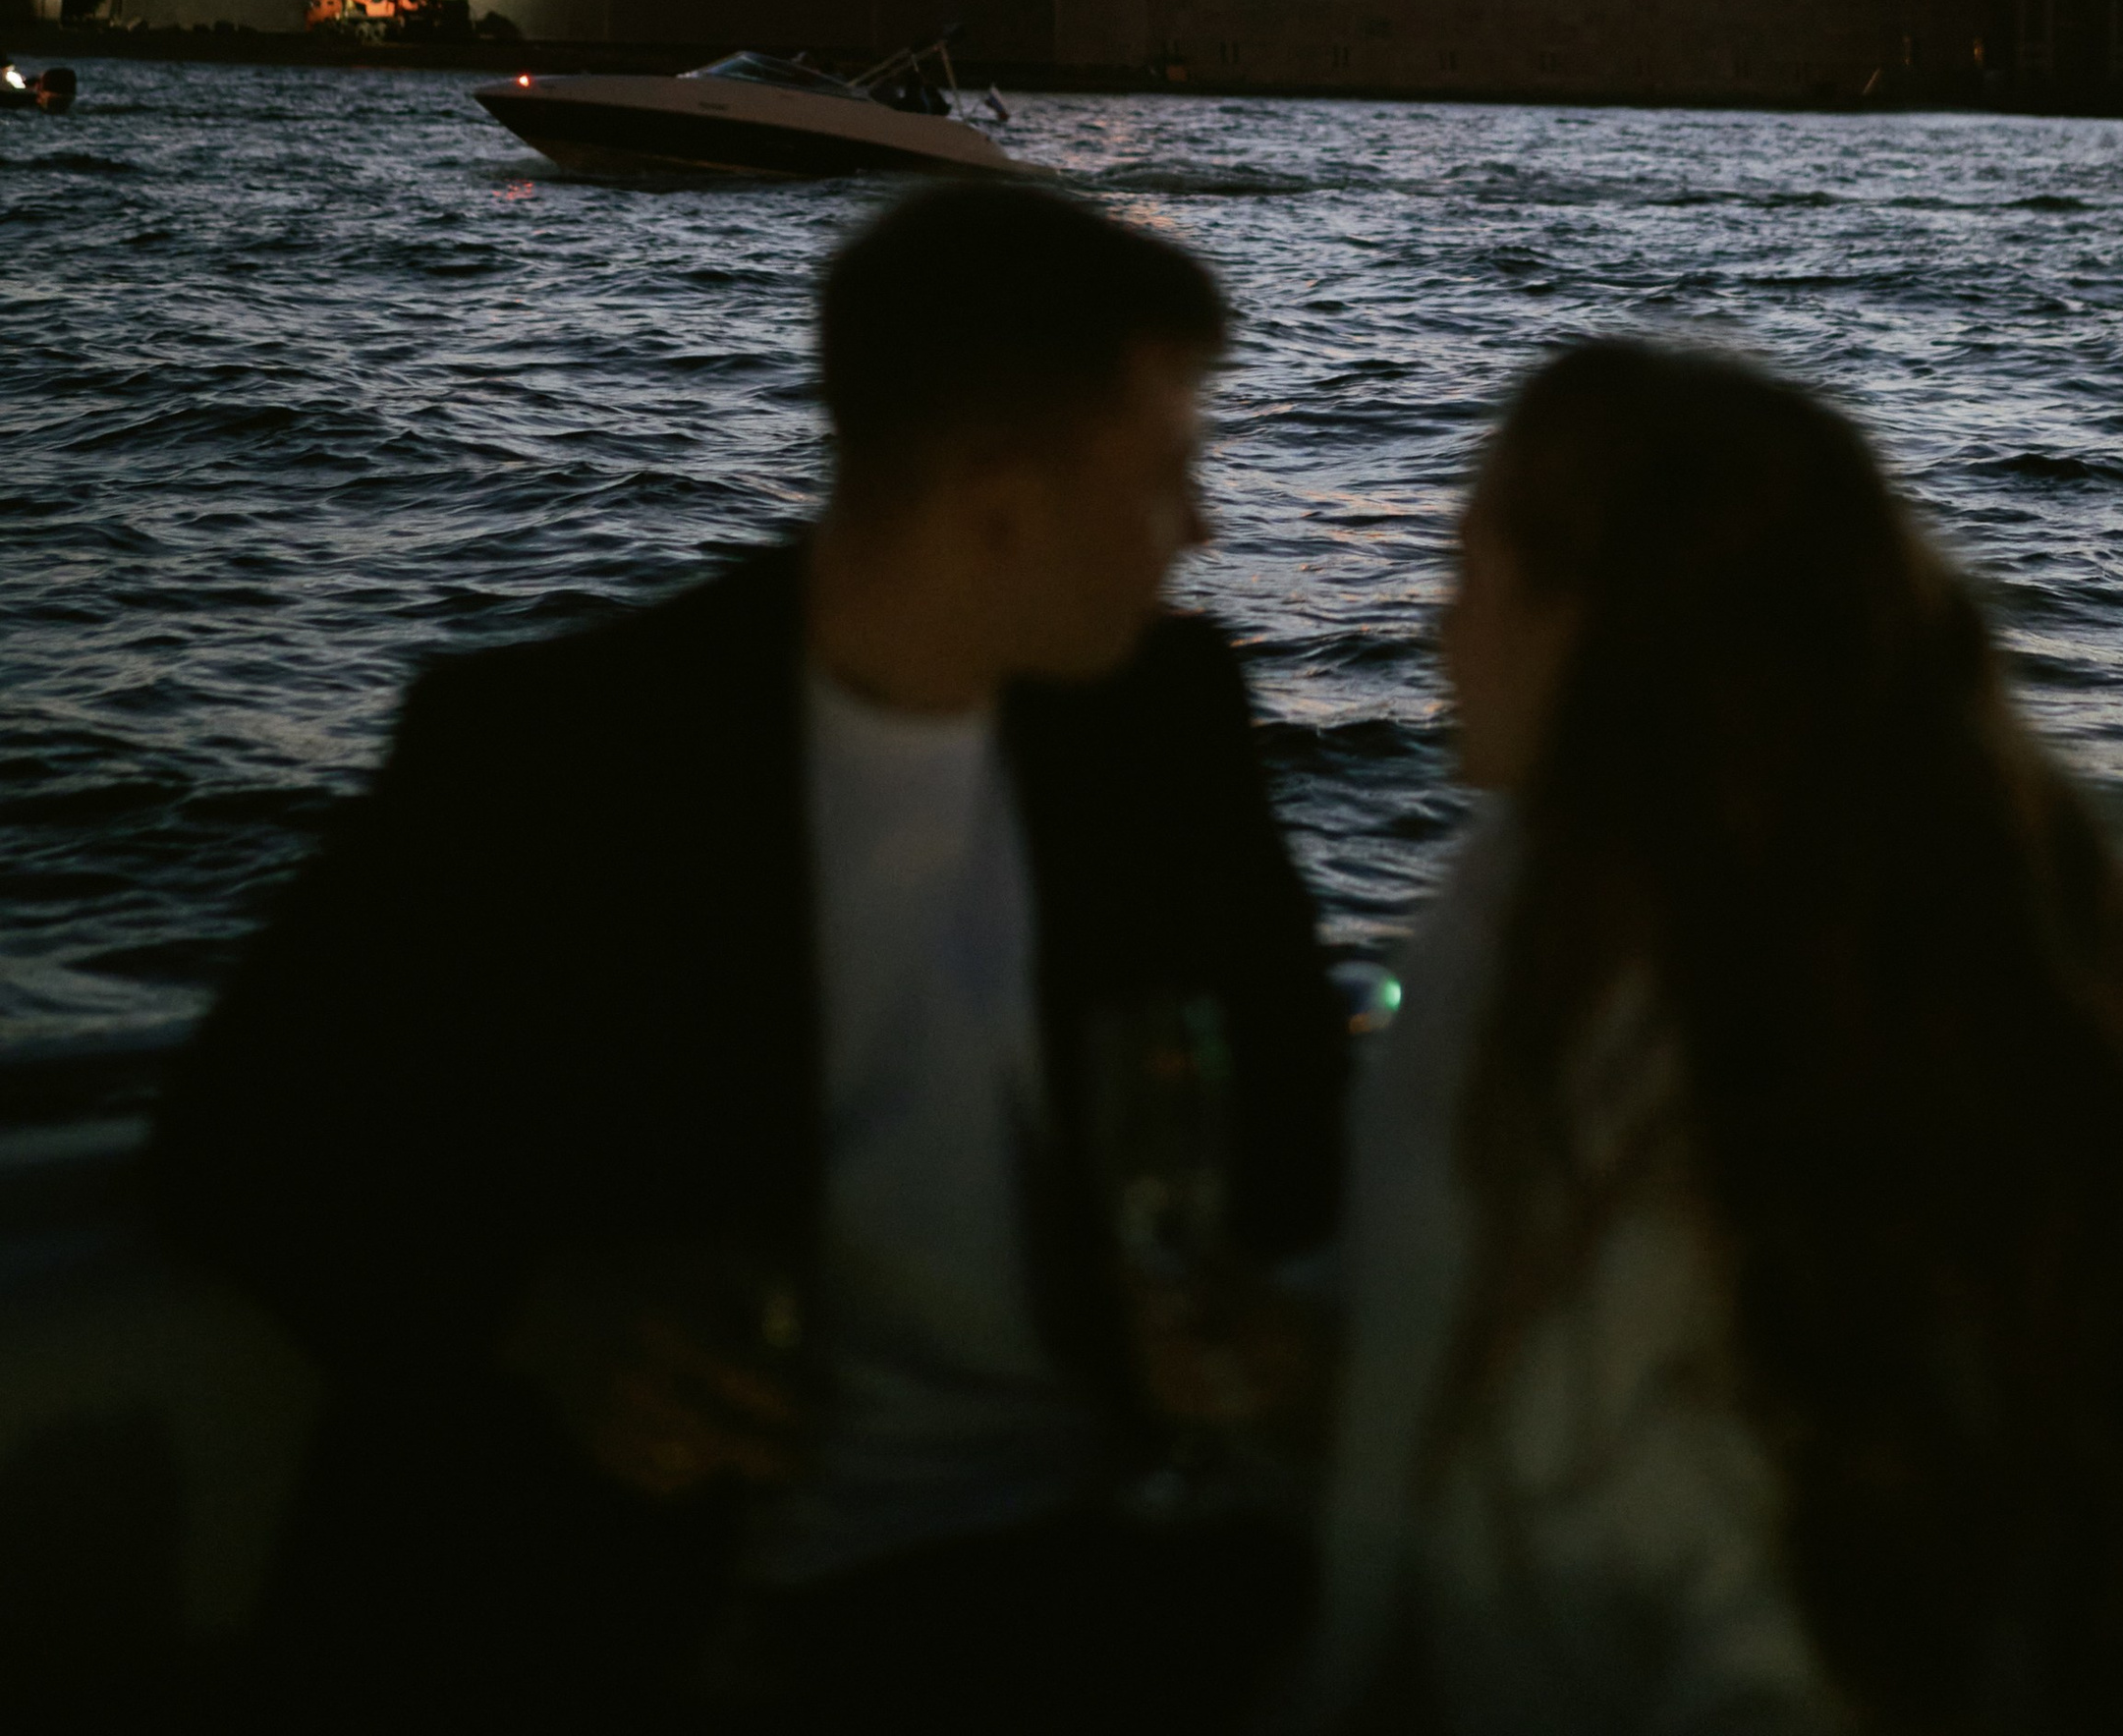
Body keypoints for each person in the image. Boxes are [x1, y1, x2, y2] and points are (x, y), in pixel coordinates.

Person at [156, 179, 1347, 1726]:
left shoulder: (1164, 721)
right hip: (673, 1604)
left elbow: (1295, 1109)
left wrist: (1247, 1319)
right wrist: (543, 1322)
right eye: (1173, 475)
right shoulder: (557, 758)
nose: (1202, 530)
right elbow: (240, 1135)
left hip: (1096, 1558)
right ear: (998, 504)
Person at [1312, 342, 2123, 1736]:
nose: (1438, 626)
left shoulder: (1730, 1071)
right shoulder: (1550, 908)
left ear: (1596, 626)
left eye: (1473, 571)